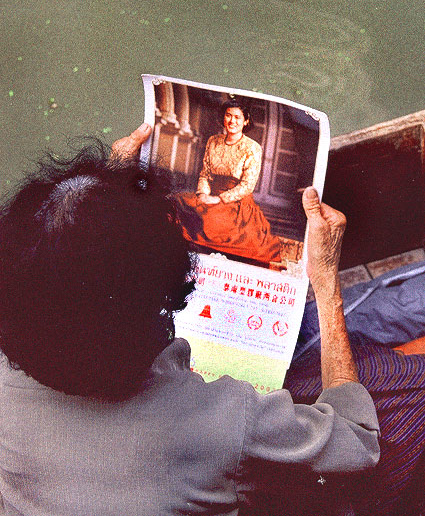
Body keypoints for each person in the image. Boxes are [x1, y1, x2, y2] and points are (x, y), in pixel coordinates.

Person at [0, 124, 379, 516]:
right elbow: (358, 442)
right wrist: (326, 280)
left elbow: (75, 286)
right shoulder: (220, 418)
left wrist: (98, 205)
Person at [176, 100, 282, 264]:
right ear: (223, 118)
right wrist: (203, 194)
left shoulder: (252, 148)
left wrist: (218, 199)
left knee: (209, 220)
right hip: (210, 194)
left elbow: (247, 185)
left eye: (237, 117)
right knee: (177, 202)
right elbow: (205, 173)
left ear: (246, 121)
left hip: (235, 202)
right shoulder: (213, 141)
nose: (232, 121)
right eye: (228, 116)